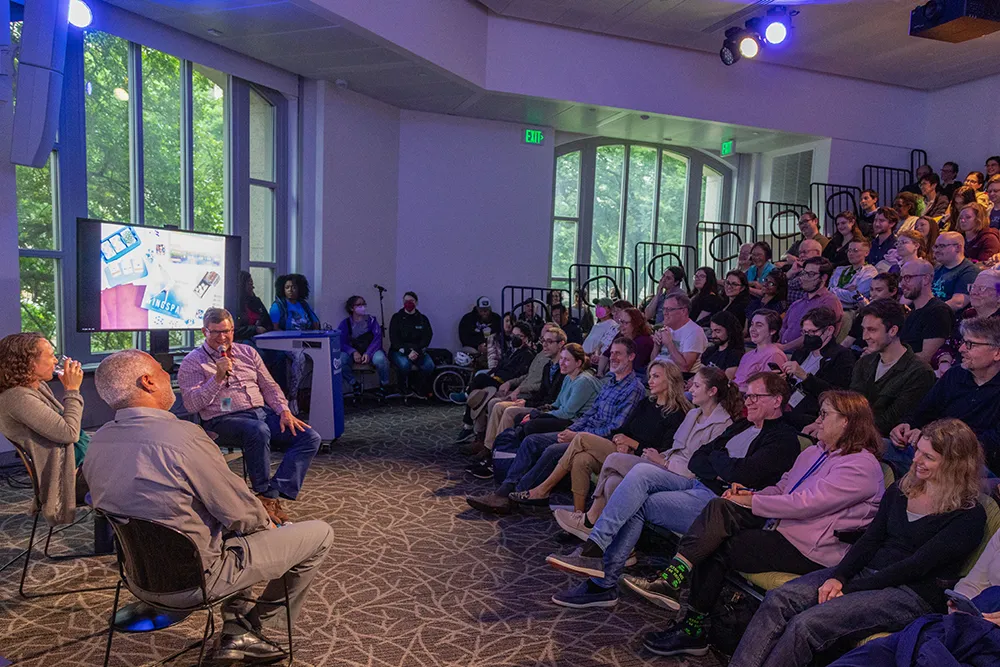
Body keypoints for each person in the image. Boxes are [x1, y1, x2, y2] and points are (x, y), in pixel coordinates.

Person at [85, 349, 334, 664]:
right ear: (148, 382)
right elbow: (242, 514)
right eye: (163, 372)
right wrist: (271, 528)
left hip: (139, 580)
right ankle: (249, 630)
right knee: (319, 534)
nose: (169, 377)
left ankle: (237, 621)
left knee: (228, 530)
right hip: (196, 580)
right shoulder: (183, 438)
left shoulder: (98, 442)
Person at [634, 390, 885, 658]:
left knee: (721, 544)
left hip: (812, 550)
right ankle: (676, 582)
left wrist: (752, 503)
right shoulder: (814, 452)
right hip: (785, 529)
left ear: (847, 421)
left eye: (825, 414)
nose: (818, 420)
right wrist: (750, 495)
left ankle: (690, 623)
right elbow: (782, 488)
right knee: (721, 506)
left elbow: (804, 504)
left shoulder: (861, 467)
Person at [729, 418, 986, 667]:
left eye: (928, 457)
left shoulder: (968, 516)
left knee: (807, 623)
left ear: (956, 465)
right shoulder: (901, 489)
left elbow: (916, 566)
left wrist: (851, 588)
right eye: (917, 451)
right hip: (867, 573)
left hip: (910, 593)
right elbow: (871, 538)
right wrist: (840, 576)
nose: (916, 460)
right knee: (779, 598)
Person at [545, 372, 800, 609]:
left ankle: (603, 581)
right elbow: (698, 458)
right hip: (697, 482)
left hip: (720, 503)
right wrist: (721, 463)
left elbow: (743, 474)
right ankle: (596, 548)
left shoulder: (783, 438)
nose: (749, 401)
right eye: (748, 395)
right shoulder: (742, 426)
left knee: (638, 501)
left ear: (777, 400)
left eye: (757, 396)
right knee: (640, 474)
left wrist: (719, 461)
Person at [552, 366, 741, 539]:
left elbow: (700, 468)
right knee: (612, 480)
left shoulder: (721, 425)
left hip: (684, 477)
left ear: (712, 391)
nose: (691, 389)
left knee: (612, 458)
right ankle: (614, 540)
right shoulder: (693, 414)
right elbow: (672, 448)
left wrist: (661, 460)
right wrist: (637, 448)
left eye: (697, 385)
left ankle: (589, 519)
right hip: (663, 463)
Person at [465, 336, 645, 515]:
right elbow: (590, 413)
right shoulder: (610, 382)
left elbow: (615, 427)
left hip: (601, 440)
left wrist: (576, 434)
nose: (612, 357)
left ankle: (511, 497)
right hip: (582, 432)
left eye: (618, 354)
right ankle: (506, 490)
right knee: (532, 441)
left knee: (552, 449)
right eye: (611, 353)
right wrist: (571, 430)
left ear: (631, 357)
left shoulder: (634, 388)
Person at [178, 308, 322, 525]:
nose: (222, 337)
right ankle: (264, 492)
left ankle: (271, 495)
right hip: (221, 421)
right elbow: (192, 404)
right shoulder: (192, 362)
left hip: (260, 414)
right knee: (258, 431)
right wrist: (216, 378)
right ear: (204, 332)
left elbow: (269, 386)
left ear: (233, 330)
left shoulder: (248, 353)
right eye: (215, 332)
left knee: (309, 437)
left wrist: (284, 410)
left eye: (226, 331)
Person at [513, 359, 690, 511]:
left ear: (671, 380)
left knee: (581, 438)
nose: (650, 380)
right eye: (650, 375)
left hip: (644, 460)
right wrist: (622, 441)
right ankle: (579, 515)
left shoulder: (677, 414)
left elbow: (664, 451)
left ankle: (543, 489)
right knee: (582, 459)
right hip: (621, 449)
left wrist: (632, 444)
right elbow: (623, 428)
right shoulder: (647, 402)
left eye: (656, 376)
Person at [890, 316, 1000, 475]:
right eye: (963, 342)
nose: (961, 349)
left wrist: (935, 441)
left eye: (971, 344)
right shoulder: (954, 375)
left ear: (997, 353)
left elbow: (992, 442)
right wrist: (907, 425)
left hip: (974, 463)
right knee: (882, 447)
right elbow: (924, 411)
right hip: (933, 449)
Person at [0, 333, 88, 525]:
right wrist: (72, 391)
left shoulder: (36, 388)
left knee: (126, 448)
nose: (56, 360)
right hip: (68, 475)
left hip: (77, 461)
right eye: (50, 356)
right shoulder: (18, 399)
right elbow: (69, 433)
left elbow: (67, 423)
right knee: (126, 469)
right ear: (30, 362)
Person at [840, 299, 935, 436]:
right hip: (852, 433)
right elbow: (851, 404)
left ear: (893, 330)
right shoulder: (864, 362)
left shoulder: (919, 373)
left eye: (872, 330)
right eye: (864, 329)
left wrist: (843, 430)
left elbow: (890, 422)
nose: (864, 336)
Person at [780, 306, 855, 429]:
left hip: (813, 413)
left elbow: (837, 394)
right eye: (805, 332)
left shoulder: (842, 356)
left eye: (813, 332)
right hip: (789, 404)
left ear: (829, 330)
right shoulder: (801, 352)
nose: (808, 336)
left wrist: (805, 376)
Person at [450, 322, 535, 430]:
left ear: (526, 337)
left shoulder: (527, 354)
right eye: (513, 335)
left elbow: (519, 374)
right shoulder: (511, 351)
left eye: (519, 336)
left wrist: (505, 381)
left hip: (505, 382)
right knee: (480, 382)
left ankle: (467, 402)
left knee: (480, 379)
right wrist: (490, 373)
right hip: (497, 378)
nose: (515, 338)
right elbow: (499, 366)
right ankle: (470, 423)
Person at [269, 273, 321, 414]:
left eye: (294, 287)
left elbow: (316, 323)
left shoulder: (303, 305)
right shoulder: (278, 305)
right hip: (287, 343)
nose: (291, 290)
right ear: (282, 289)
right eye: (287, 287)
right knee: (299, 358)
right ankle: (293, 396)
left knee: (325, 358)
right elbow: (275, 328)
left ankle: (320, 399)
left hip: (307, 341)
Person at [780, 257, 843, 352]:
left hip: (807, 356)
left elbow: (814, 335)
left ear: (823, 278)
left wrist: (784, 348)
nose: (804, 278)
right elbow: (783, 328)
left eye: (810, 274)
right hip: (784, 352)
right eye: (804, 273)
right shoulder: (797, 303)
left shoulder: (829, 301)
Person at [899, 259, 953, 364]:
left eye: (907, 278)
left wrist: (891, 359)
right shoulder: (912, 312)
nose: (902, 284)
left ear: (926, 279)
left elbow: (926, 357)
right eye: (901, 279)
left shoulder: (938, 312)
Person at [337, 295, 389, 399]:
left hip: (372, 350)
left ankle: (384, 385)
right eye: (359, 305)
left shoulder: (372, 320)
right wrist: (353, 352)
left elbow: (377, 338)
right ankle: (354, 384)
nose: (362, 307)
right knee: (340, 361)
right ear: (352, 308)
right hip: (354, 351)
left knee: (381, 360)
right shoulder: (345, 323)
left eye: (363, 304)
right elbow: (341, 342)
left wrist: (368, 353)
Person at [389, 291, 435, 395]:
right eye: (406, 301)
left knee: (429, 366)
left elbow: (427, 337)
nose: (408, 303)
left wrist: (417, 351)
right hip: (399, 350)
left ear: (416, 302)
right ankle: (402, 388)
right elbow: (394, 339)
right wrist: (407, 352)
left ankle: (417, 386)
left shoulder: (423, 319)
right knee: (405, 365)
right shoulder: (397, 318)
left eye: (411, 301)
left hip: (418, 350)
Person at [650, 293, 709, 374]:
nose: (665, 313)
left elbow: (685, 368)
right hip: (658, 376)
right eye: (664, 309)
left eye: (669, 309)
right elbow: (652, 361)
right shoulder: (666, 329)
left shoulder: (694, 332)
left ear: (683, 311)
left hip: (677, 381)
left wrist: (669, 344)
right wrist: (656, 346)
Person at [735, 310, 787, 392]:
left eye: (759, 325)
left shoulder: (774, 355)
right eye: (752, 324)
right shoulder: (748, 355)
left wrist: (734, 389)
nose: (752, 329)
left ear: (772, 331)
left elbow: (769, 390)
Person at [932, 231, 981, 311]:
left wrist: (929, 312)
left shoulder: (970, 271)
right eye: (936, 246)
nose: (936, 250)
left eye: (942, 246)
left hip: (947, 319)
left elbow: (958, 303)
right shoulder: (937, 268)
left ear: (958, 248)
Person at [602, 307, 653, 376]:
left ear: (636, 324)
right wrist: (600, 374)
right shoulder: (620, 336)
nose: (621, 325)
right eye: (621, 321)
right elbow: (606, 354)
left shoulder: (643, 342)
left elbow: (632, 367)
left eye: (625, 323)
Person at [830, 238, 878, 308]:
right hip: (832, 306)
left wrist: (835, 290)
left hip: (852, 311)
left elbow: (856, 297)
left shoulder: (870, 272)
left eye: (855, 251)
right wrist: (846, 290)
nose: (851, 253)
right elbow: (829, 291)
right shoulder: (839, 270)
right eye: (849, 250)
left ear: (866, 253)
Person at [700, 311, 745, 380]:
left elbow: (725, 382)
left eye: (718, 331)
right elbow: (700, 374)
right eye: (712, 331)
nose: (713, 335)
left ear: (729, 330)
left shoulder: (735, 355)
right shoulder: (709, 351)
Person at [234, 270, 273, 343]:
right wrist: (254, 329)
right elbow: (234, 330)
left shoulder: (256, 301)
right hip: (243, 339)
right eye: (249, 283)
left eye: (252, 283)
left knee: (279, 352)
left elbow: (268, 322)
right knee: (259, 353)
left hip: (260, 337)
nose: (252, 287)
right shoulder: (234, 304)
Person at [784, 238, 824, 304]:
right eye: (800, 253)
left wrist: (783, 286)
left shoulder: (819, 268)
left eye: (805, 252)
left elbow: (794, 284)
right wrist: (791, 271)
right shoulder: (799, 266)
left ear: (817, 253)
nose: (801, 255)